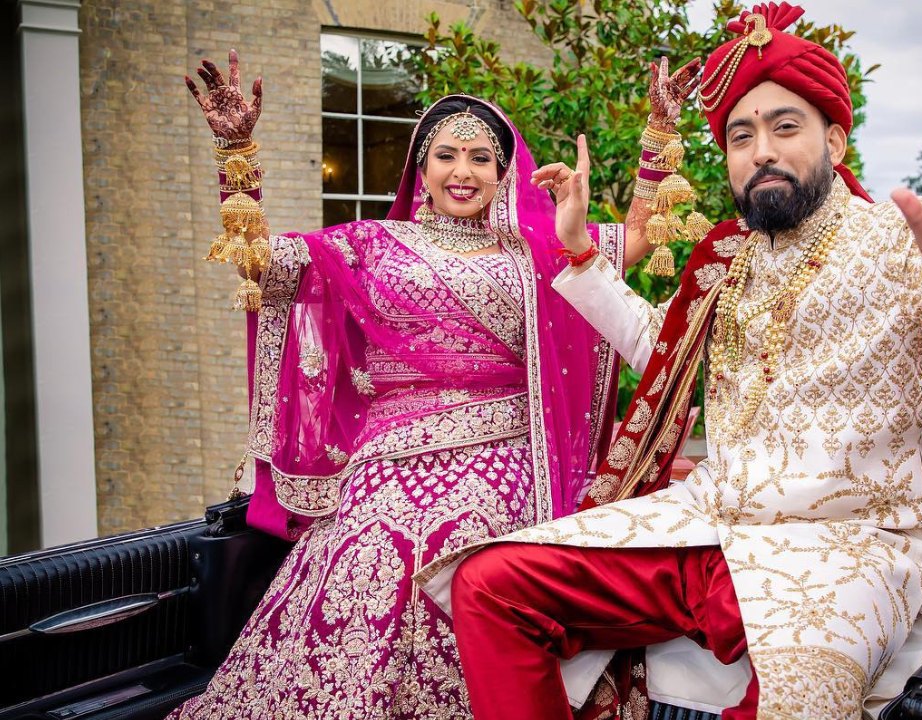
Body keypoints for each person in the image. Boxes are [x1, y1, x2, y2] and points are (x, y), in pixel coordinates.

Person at [416, 3, 922, 718]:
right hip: (707, 525)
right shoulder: (727, 256)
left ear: (835, 141)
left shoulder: (899, 242)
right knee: (490, 583)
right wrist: (581, 253)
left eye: (785, 126)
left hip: (847, 546)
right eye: (741, 136)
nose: (763, 151)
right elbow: (669, 358)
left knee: (799, 700)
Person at [168, 51, 697, 719]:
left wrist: (658, 131)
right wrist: (235, 152)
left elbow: (643, 237)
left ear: (505, 172)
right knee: (367, 560)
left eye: (480, 157)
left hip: (507, 459)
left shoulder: (536, 247)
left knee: (479, 555)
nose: (463, 171)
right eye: (446, 154)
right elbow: (264, 266)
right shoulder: (372, 243)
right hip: (386, 463)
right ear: (421, 168)